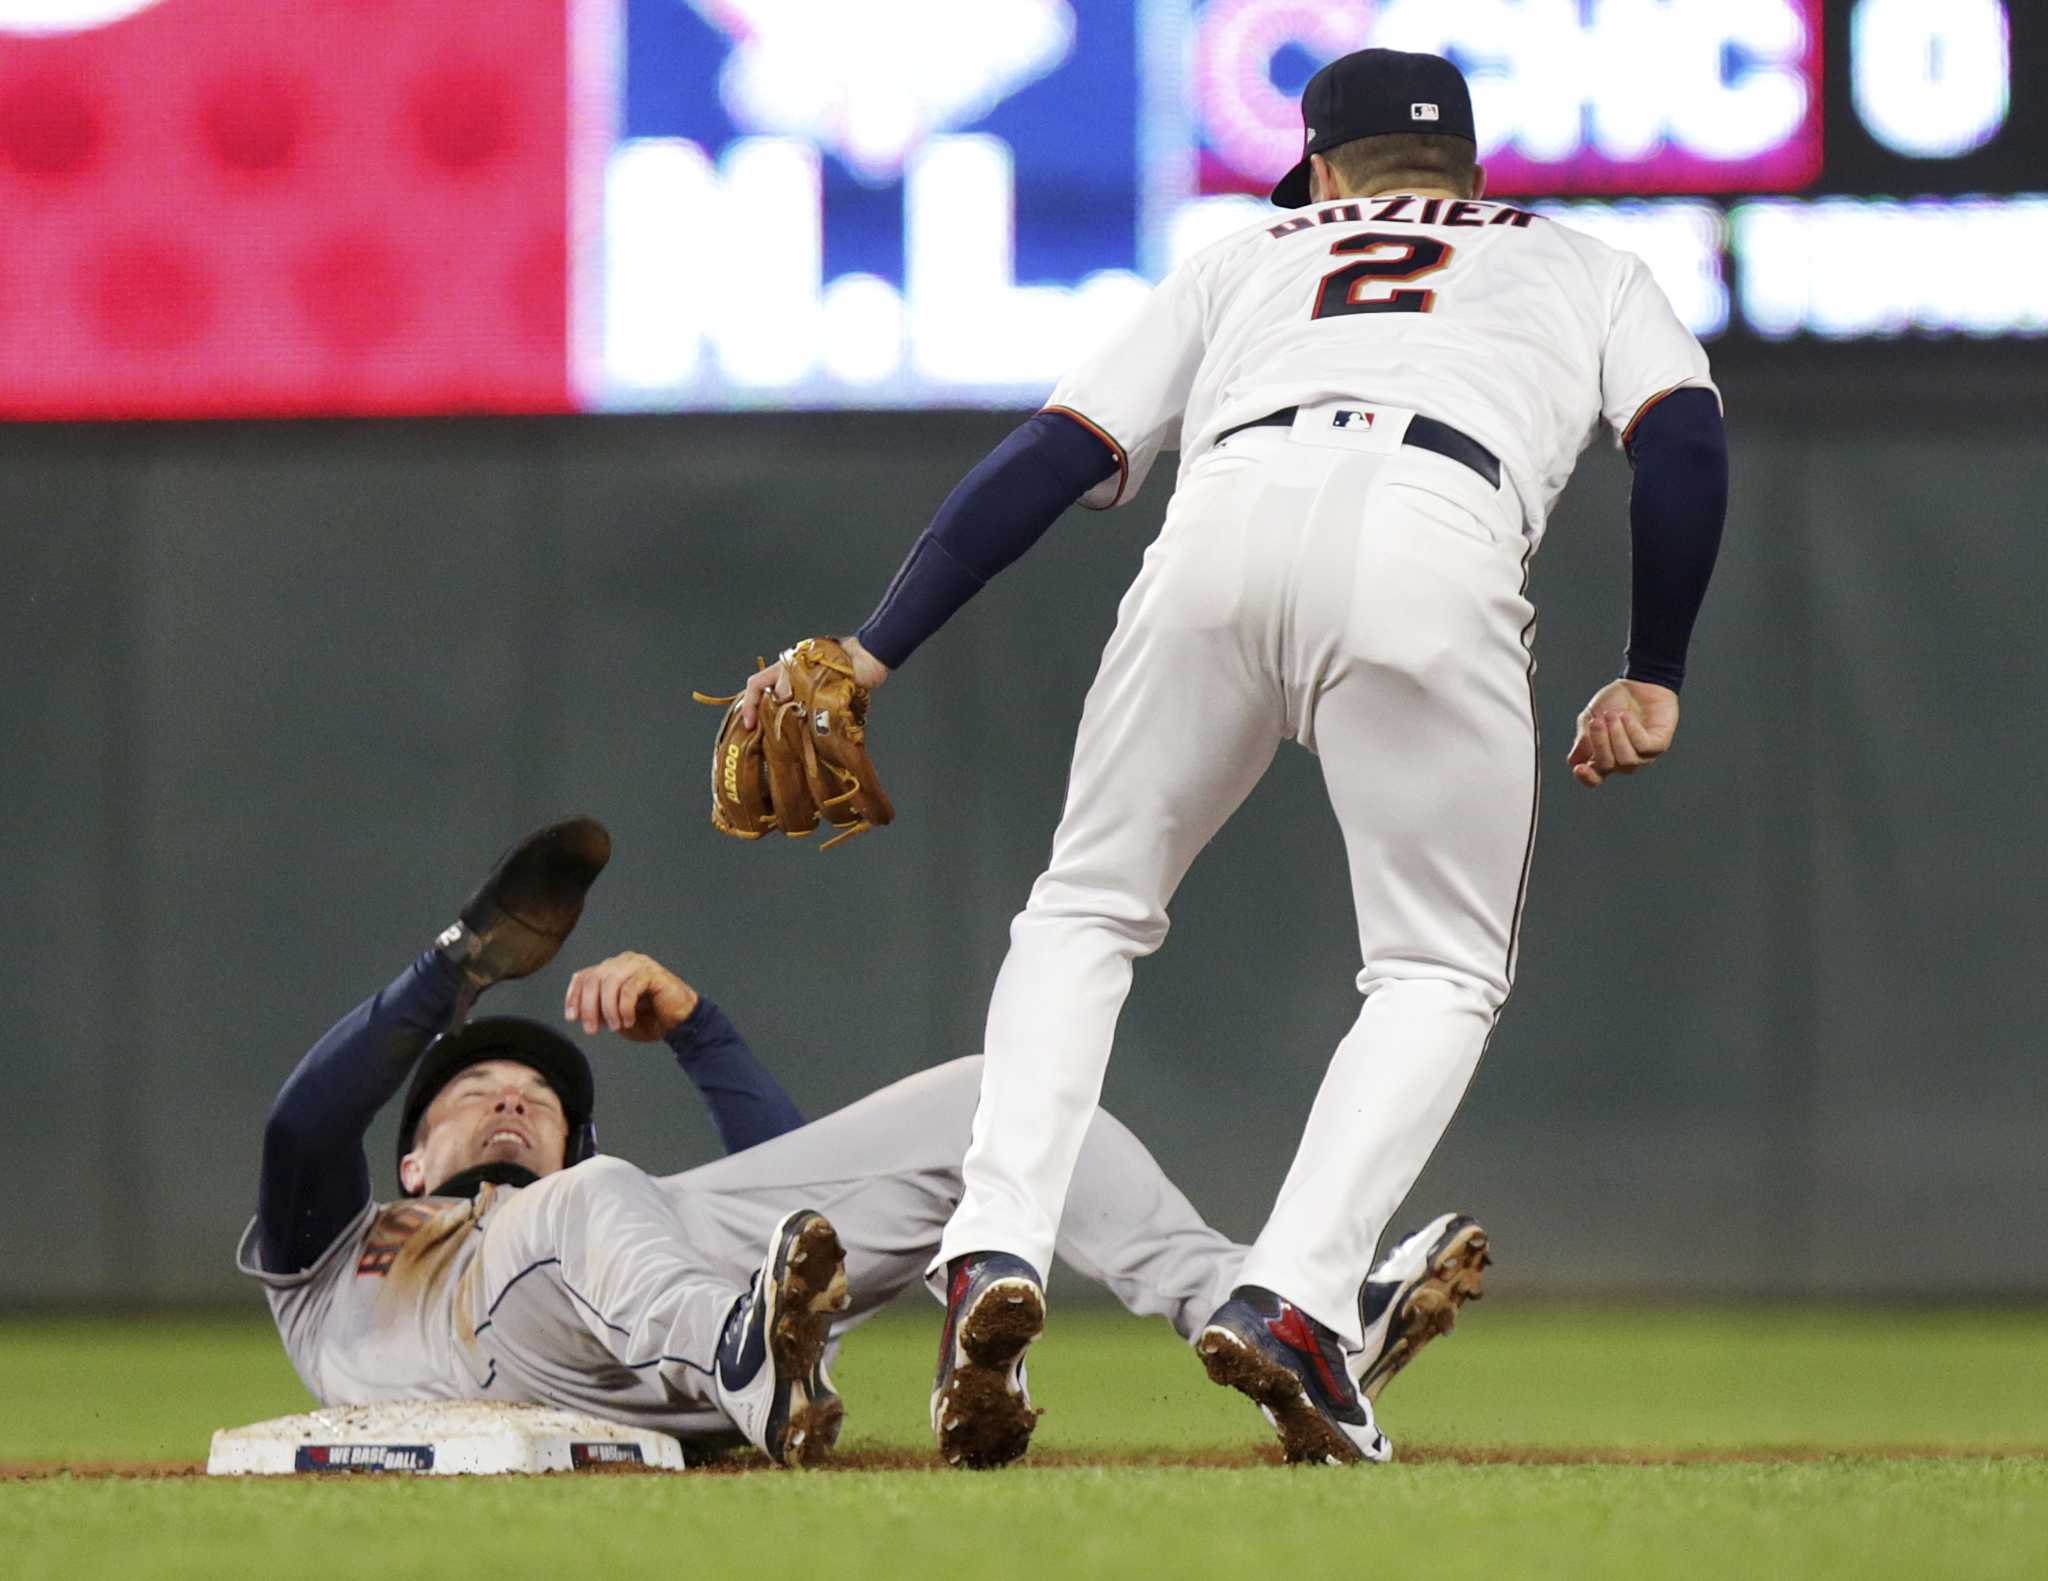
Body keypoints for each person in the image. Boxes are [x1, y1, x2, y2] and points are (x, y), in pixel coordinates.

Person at [734, 47, 1725, 1468]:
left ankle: (994, 1244)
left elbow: (1054, 452)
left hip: (1224, 521)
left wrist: (878, 646)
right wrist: (1654, 668)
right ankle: (1300, 1300)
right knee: (1435, 971)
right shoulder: (1582, 264)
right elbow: (1683, 442)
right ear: (1473, 174)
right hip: (1439, 533)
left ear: (1320, 168)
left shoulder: (1249, 254)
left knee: (1085, 909)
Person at [241, 817, 1489, 1467]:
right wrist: (457, 974)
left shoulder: (605, 1204)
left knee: (996, 1095)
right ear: (409, 1160)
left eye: (536, 1092)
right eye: (472, 1093)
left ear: (568, 1138)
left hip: (640, 1314)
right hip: (501, 1346)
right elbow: (304, 1121)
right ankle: (741, 1358)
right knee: (601, 1211)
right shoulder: (339, 1247)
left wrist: (700, 1030)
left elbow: (809, 1234)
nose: (508, 1097)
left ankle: (1269, 1310)